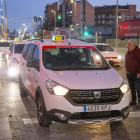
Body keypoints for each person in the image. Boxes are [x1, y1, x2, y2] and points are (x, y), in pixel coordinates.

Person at [125, 39, 140, 108]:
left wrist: (139, 72)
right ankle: (134, 100)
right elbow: (126, 60)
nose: (127, 46)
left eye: (129, 45)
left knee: (138, 88)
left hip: (136, 74)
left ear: (133, 45)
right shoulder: (129, 52)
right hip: (129, 73)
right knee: (132, 88)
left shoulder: (138, 51)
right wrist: (126, 69)